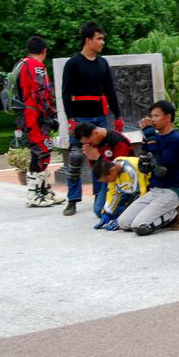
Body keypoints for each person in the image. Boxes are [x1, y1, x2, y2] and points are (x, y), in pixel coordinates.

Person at [62, 21, 124, 216]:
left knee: (102, 159)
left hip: (99, 117)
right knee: (75, 157)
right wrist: (71, 118)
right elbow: (65, 92)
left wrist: (118, 116)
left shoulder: (102, 63)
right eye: (99, 38)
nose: (102, 42)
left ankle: (100, 196)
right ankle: (72, 199)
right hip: (80, 118)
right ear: (88, 40)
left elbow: (110, 91)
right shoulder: (73, 63)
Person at [118, 100, 179, 235]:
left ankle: (174, 214)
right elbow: (143, 168)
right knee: (123, 223)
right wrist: (146, 141)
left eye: (156, 116)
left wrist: (151, 140)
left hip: (171, 191)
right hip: (154, 191)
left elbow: (161, 170)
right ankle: (165, 214)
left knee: (138, 226)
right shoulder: (154, 138)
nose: (152, 119)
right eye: (151, 116)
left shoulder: (176, 139)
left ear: (168, 117)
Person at [14, 36, 65, 207]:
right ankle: (33, 194)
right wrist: (51, 114)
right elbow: (40, 92)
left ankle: (44, 191)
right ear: (44, 51)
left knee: (41, 152)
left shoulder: (21, 64)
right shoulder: (36, 66)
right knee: (41, 151)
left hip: (26, 115)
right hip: (34, 116)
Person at [72, 122, 133, 217]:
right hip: (109, 181)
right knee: (99, 210)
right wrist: (92, 158)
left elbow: (120, 167)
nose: (89, 145)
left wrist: (98, 157)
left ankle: (131, 208)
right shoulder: (93, 144)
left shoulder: (117, 140)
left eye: (89, 142)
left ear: (96, 132)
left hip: (125, 180)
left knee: (110, 211)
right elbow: (96, 169)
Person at [92, 156, 148, 230]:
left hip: (146, 192)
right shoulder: (113, 169)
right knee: (103, 211)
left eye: (107, 180)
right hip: (130, 191)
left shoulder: (131, 169)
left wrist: (124, 217)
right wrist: (107, 213)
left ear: (112, 170)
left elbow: (142, 194)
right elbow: (113, 193)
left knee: (130, 220)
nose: (107, 182)